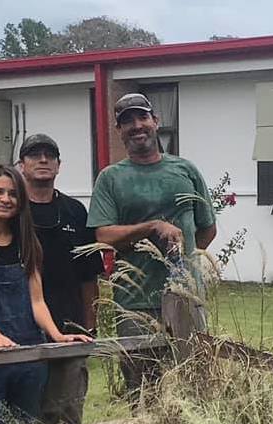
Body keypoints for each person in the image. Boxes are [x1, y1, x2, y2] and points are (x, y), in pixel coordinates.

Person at [0, 164, 92, 424]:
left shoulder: (29, 243)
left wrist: (58, 336)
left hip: (28, 357)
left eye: (13, 194)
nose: (5, 199)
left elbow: (36, 301)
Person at [86, 92, 217, 392]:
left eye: (142, 117)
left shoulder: (185, 170)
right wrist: (151, 228)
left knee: (194, 383)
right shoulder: (111, 178)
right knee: (143, 388)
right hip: (135, 303)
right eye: (127, 121)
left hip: (186, 297)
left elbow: (207, 230)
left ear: (156, 122)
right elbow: (103, 235)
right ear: (119, 131)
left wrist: (184, 263)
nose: (137, 126)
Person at [18, 133, 105, 424]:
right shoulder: (9, 210)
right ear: (21, 165)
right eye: (34, 155)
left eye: (49, 155)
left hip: (70, 323)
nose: (43, 160)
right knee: (27, 412)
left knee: (67, 411)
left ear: (58, 166)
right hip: (20, 327)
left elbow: (89, 274)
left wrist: (90, 323)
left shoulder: (75, 211)